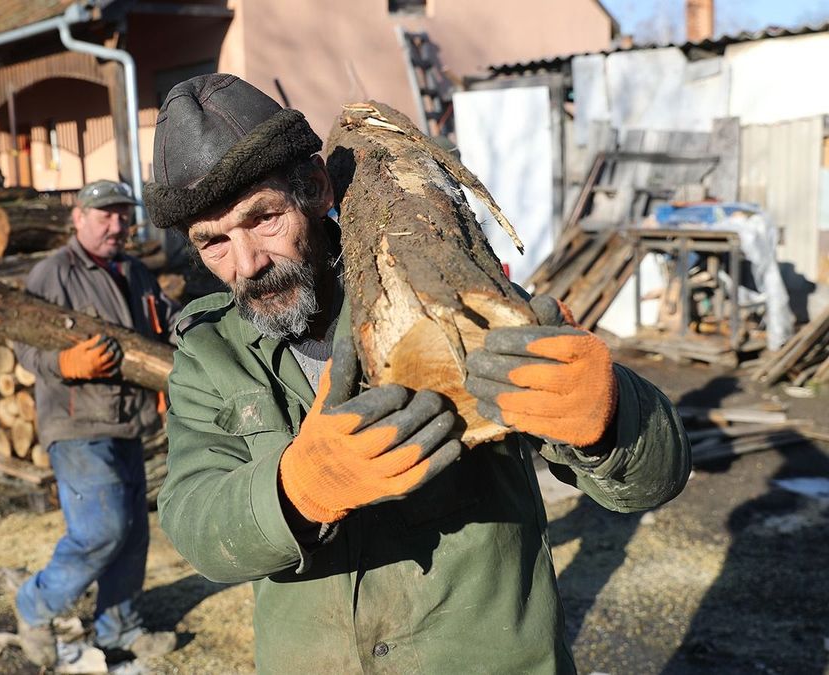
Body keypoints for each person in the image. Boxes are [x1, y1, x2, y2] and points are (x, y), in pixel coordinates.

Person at [147, 74, 691, 673]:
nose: (246, 262)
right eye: (213, 243)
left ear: (314, 191)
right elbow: (194, 522)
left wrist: (609, 419)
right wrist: (299, 488)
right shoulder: (209, 353)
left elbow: (653, 481)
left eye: (264, 219)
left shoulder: (450, 290)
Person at [11, 179, 179, 666]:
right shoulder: (53, 273)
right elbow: (23, 340)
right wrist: (63, 365)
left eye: (123, 214)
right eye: (104, 214)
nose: (116, 224)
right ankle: (35, 604)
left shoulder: (134, 271)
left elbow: (165, 323)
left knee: (131, 533)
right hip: (78, 424)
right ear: (78, 218)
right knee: (102, 530)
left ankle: (120, 629)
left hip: (129, 421)